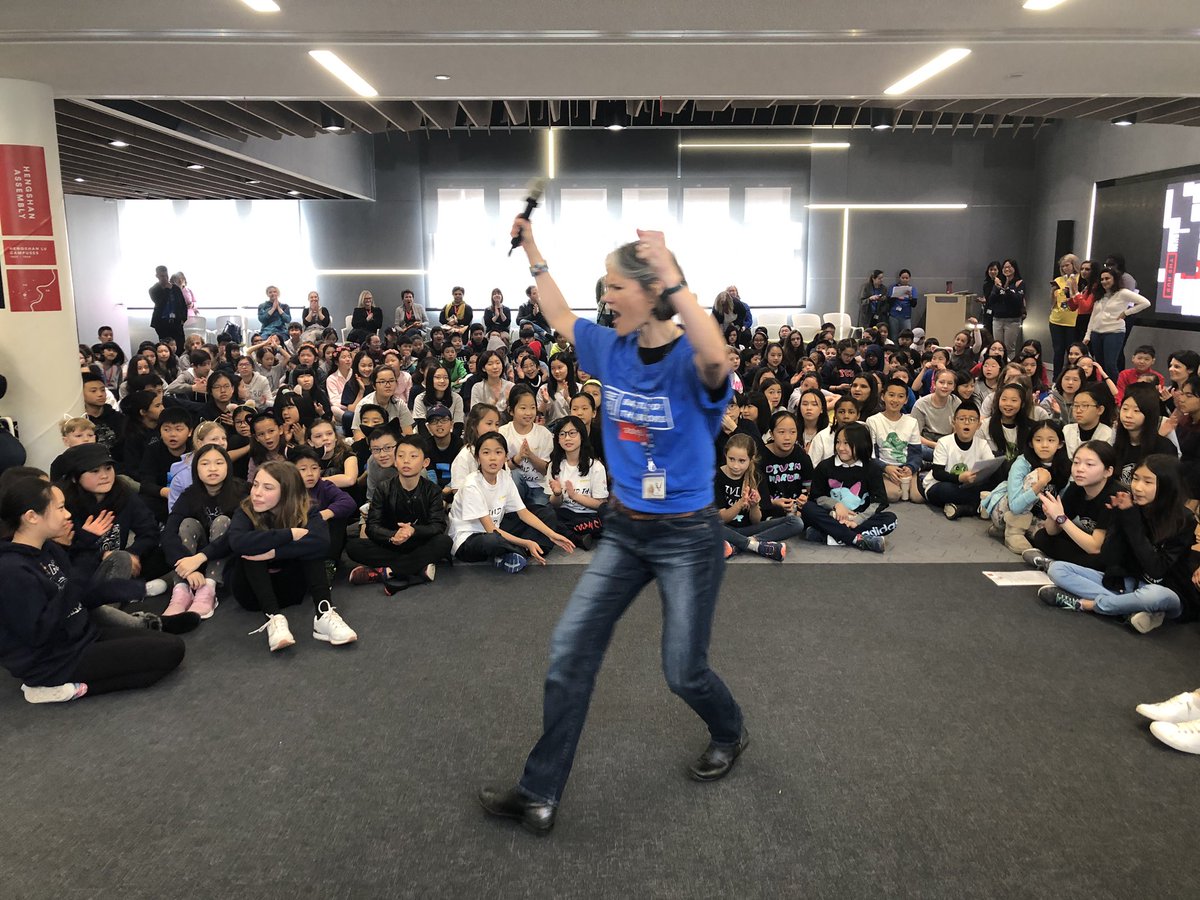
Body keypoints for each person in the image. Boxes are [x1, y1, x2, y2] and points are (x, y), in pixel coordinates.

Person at [478, 219, 748, 837]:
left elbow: (713, 353)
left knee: (683, 671)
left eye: (616, 285)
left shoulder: (689, 358)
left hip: (688, 534)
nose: (605, 296)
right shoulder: (610, 348)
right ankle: (538, 792)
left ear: (652, 291)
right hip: (626, 528)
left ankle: (730, 730)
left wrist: (675, 277)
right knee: (570, 652)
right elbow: (558, 316)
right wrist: (532, 249)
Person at [0, 478, 185, 704]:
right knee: (170, 651)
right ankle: (52, 687)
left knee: (166, 646)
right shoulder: (11, 570)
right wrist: (81, 571)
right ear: (31, 517)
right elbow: (40, 631)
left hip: (83, 635)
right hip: (54, 659)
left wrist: (132, 589)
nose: (67, 514)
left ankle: (68, 685)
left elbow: (81, 594)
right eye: (59, 508)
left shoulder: (47, 549)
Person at [1038, 455, 1196, 635]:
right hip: (1126, 583)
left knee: (1155, 596)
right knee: (1057, 569)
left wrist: (1130, 519)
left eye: (1147, 482)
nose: (1137, 487)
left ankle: (1089, 605)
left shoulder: (1184, 520)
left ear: (1167, 485)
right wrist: (1119, 521)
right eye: (1135, 479)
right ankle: (1129, 609)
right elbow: (1108, 558)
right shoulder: (1128, 506)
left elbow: (1156, 569)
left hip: (1166, 590)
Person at [227, 460, 356, 652]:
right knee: (251, 549)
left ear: (286, 492)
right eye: (255, 485)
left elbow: (321, 542)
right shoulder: (245, 509)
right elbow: (237, 542)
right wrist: (288, 535)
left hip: (293, 590)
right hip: (252, 594)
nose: (257, 492)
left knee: (311, 548)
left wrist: (274, 552)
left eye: (267, 487)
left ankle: (323, 614)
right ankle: (274, 619)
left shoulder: (307, 508)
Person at [345, 434, 454, 594]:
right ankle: (416, 570)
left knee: (444, 542)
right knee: (353, 547)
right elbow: (372, 526)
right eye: (401, 456)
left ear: (425, 463)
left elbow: (438, 525)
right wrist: (392, 535)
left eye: (413, 456)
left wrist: (413, 531)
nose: (406, 461)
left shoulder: (432, 490)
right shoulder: (383, 488)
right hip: (390, 545)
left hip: (419, 543)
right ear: (395, 462)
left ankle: (387, 572)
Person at [447, 431, 570, 571]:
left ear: (506, 457)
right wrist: (526, 542)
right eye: (486, 453)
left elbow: (523, 513)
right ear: (478, 458)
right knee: (492, 540)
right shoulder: (471, 484)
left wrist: (551, 534)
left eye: (498, 452)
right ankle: (520, 551)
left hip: (497, 529)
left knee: (546, 514)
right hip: (469, 539)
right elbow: (490, 529)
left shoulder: (504, 477)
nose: (492, 458)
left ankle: (512, 554)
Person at [161, 444, 246, 619]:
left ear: (228, 466)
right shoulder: (189, 494)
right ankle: (181, 589)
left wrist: (199, 558)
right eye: (205, 463)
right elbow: (169, 532)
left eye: (219, 463)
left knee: (223, 522)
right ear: (196, 468)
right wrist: (187, 567)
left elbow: (238, 533)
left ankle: (209, 588)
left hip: (227, 556)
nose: (212, 469)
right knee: (187, 523)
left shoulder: (241, 491)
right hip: (195, 561)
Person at [801, 421, 895, 552]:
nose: (840, 447)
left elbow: (879, 501)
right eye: (838, 442)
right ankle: (856, 539)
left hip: (858, 518)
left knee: (891, 519)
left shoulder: (872, 468)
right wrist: (836, 505)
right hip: (831, 516)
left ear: (861, 444)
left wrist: (857, 520)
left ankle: (829, 536)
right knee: (808, 509)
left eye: (846, 443)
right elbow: (816, 497)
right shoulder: (825, 466)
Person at [1022, 441, 1116, 571]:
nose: (1080, 469)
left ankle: (1055, 565)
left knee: (1101, 561)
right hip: (1089, 543)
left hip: (1109, 552)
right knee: (1042, 537)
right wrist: (1051, 516)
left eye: (1089, 464)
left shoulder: (1113, 497)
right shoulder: (1076, 488)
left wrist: (1060, 517)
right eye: (1076, 462)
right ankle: (1062, 565)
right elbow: (1052, 531)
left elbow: (1095, 547)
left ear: (1108, 471)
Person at [980, 420, 1070, 553]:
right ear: (1031, 443)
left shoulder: (1066, 466)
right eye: (1038, 440)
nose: (1044, 445)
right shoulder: (1022, 463)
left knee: (1049, 536)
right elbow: (1015, 506)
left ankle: (1003, 530)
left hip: (1036, 515)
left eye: (1051, 440)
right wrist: (1040, 483)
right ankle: (1013, 532)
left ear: (1060, 444)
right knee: (1038, 474)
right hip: (1006, 510)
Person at [545, 415, 608, 551]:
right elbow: (555, 504)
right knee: (544, 515)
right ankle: (578, 537)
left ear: (582, 436)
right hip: (565, 514)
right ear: (558, 440)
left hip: (590, 515)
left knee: (609, 515)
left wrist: (575, 496)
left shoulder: (595, 466)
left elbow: (600, 504)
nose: (567, 438)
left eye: (572, 433)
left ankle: (574, 534)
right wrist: (557, 494)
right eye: (562, 434)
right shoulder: (554, 466)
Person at [923, 401, 994, 520]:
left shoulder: (982, 444)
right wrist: (959, 478)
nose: (967, 422)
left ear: (978, 425)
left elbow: (991, 467)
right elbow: (938, 473)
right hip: (941, 484)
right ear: (953, 422)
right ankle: (975, 507)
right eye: (962, 419)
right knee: (945, 490)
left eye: (972, 419)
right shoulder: (944, 443)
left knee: (995, 482)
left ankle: (963, 508)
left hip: (969, 486)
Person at [1084, 268, 1150, 377]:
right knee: (1100, 365)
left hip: (1114, 332)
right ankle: (1104, 390)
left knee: (1110, 365)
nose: (1104, 281)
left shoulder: (1123, 293)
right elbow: (1093, 316)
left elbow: (1145, 302)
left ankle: (1117, 391)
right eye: (1102, 279)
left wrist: (1127, 312)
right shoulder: (1100, 295)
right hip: (1096, 333)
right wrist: (1088, 335)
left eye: (1107, 278)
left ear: (1114, 279)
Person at [867, 379, 924, 503]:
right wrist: (886, 468)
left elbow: (916, 452)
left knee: (917, 497)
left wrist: (910, 467)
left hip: (905, 467)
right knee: (893, 495)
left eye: (901, 396)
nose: (895, 400)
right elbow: (870, 455)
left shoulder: (911, 422)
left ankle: (914, 479)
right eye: (891, 395)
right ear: (883, 396)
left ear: (906, 400)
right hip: (884, 468)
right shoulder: (873, 421)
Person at [499, 384, 553, 506]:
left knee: (541, 514)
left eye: (532, 407)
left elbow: (547, 470)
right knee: (515, 475)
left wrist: (530, 456)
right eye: (523, 408)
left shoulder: (544, 434)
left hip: (539, 486)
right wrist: (518, 458)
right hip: (512, 486)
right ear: (511, 411)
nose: (529, 413)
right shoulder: (502, 432)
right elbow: (499, 468)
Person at [1048, 254, 1080, 376]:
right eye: (1062, 266)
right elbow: (1053, 302)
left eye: (1067, 265)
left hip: (1073, 321)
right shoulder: (1058, 280)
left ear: (1074, 265)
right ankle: (1056, 378)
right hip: (1056, 320)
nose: (1065, 268)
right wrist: (1053, 292)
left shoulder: (1079, 279)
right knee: (1058, 351)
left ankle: (1071, 375)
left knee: (1071, 352)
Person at [989, 259, 1026, 359]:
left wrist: (1007, 289)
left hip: (1012, 320)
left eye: (1009, 267)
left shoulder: (1019, 283)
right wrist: (997, 288)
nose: (1007, 269)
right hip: (997, 319)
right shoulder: (999, 282)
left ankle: (1009, 369)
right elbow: (991, 300)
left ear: (1014, 268)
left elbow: (1018, 300)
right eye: (1005, 267)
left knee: (1009, 348)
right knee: (997, 347)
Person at [148, 265, 188, 349]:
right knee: (166, 346)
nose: (165, 278)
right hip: (162, 322)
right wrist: (166, 290)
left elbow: (183, 305)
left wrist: (183, 319)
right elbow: (160, 303)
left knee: (179, 345)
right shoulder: (153, 290)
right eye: (162, 276)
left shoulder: (176, 288)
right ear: (157, 276)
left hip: (176, 322)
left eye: (166, 275)